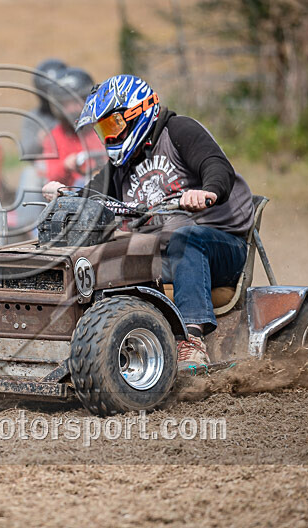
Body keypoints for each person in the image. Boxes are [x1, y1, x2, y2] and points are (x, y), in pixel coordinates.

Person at [43, 75, 255, 368]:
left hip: (219, 246)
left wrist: (207, 192)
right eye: (103, 129)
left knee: (187, 238)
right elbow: (95, 195)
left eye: (113, 125)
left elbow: (216, 166)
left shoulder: (178, 130)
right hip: (160, 254)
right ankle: (89, 341)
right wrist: (67, 195)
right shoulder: (122, 163)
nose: (109, 136)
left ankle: (192, 342)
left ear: (137, 112)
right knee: (102, 253)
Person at [38, 67, 106, 188]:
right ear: (59, 106)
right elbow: (51, 177)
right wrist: (66, 165)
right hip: (75, 194)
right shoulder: (53, 137)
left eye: (79, 101)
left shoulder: (102, 125)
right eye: (68, 103)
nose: (75, 108)